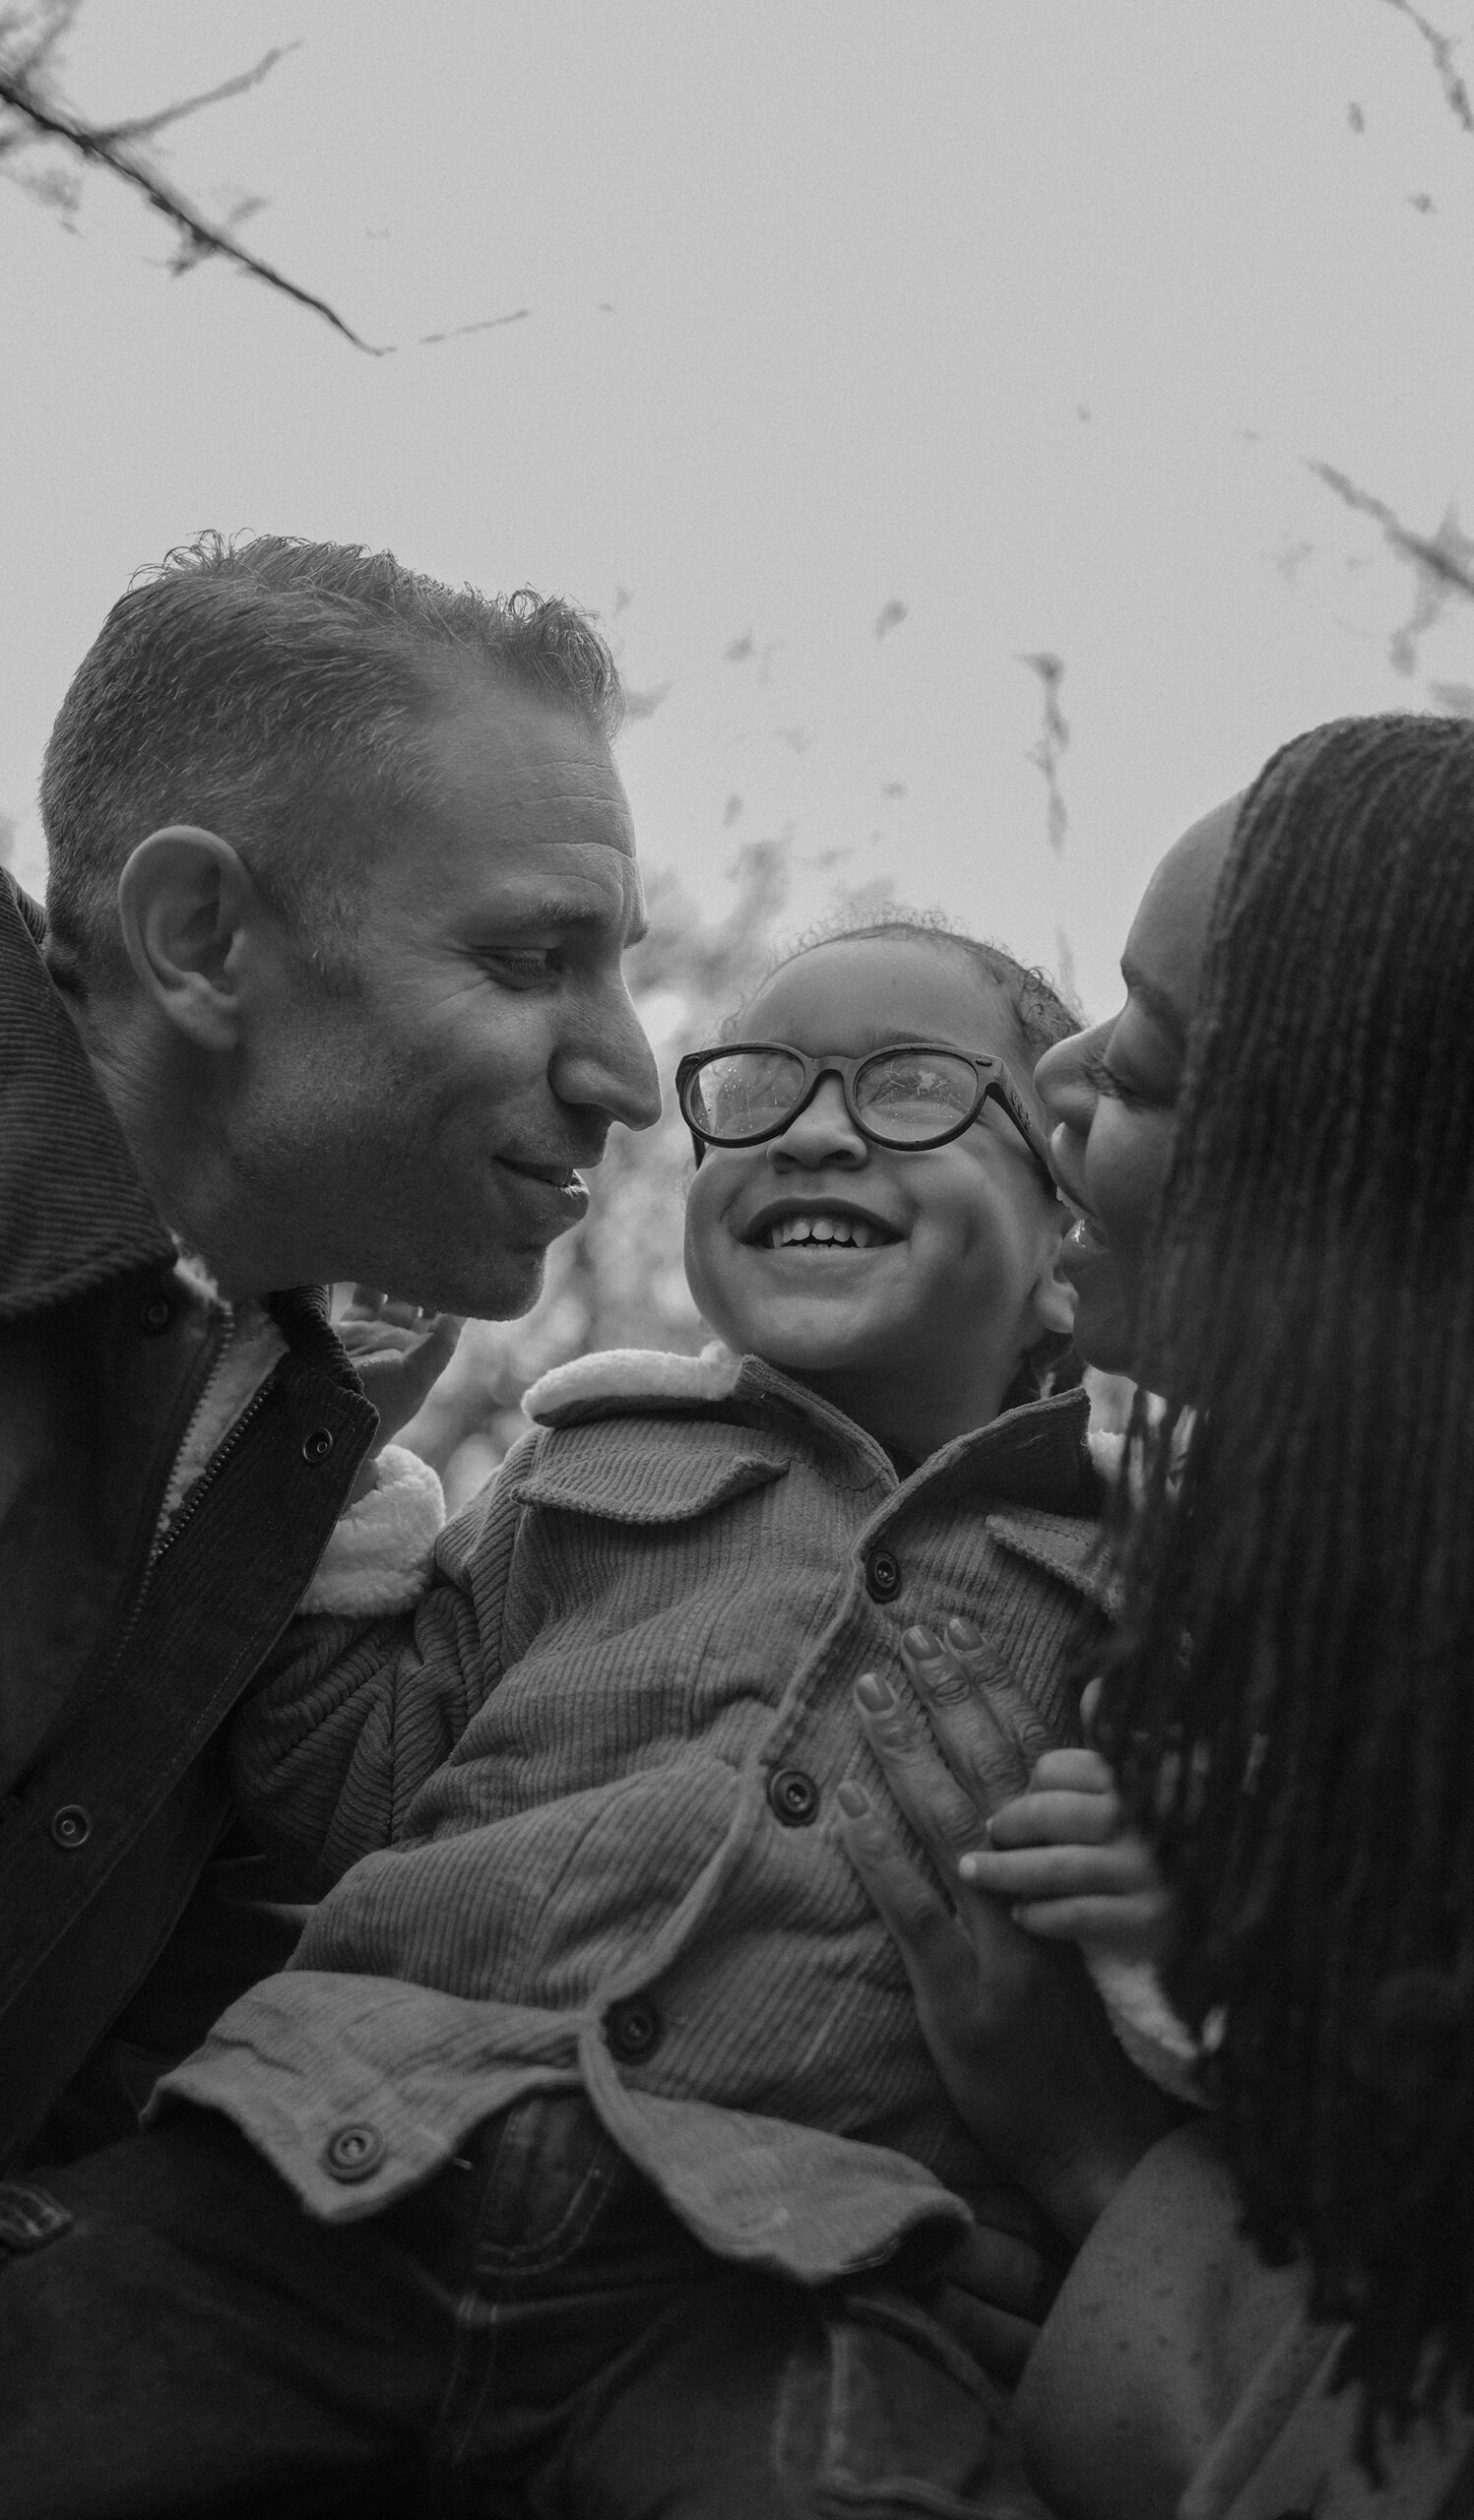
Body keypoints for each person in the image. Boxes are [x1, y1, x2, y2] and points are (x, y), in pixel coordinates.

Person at [0, 916, 1174, 2517]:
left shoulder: (1145, 1573)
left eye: (910, 1089)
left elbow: (1224, 1945)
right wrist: (325, 1473)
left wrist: (1164, 1900)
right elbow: (356, 1776)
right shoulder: (592, 1457)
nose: (814, 1130)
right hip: (333, 2160)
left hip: (775, 2272)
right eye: (757, 1091)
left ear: (1063, 1259)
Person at [844, 718, 1474, 2518]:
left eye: (1150, 1064)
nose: (1056, 1077)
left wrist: (1097, 2167)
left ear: (1409, 1198)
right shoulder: (1368, 1629)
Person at [0, 532, 662, 2175]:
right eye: (529, 961)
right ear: (200, 936)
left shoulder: (290, 1458)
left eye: (618, 971)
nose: (630, 1079)